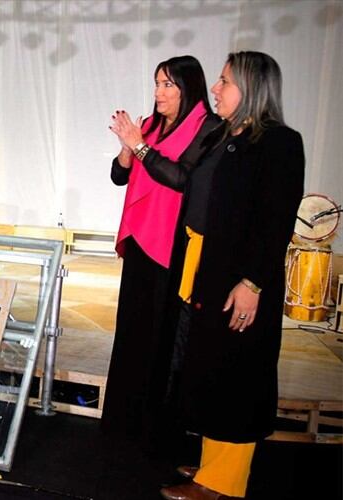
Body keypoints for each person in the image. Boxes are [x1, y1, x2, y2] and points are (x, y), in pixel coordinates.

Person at [159, 52, 304, 500]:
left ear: (253, 88)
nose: (215, 89)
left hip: (239, 278)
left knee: (235, 376)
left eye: (225, 81)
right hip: (208, 268)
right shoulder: (224, 135)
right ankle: (211, 463)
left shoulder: (279, 142)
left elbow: (274, 221)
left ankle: (222, 482)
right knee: (210, 369)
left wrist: (252, 283)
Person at [102, 55, 220, 449]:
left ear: (189, 88)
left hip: (173, 245)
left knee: (162, 338)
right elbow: (119, 176)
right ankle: (121, 422)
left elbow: (182, 178)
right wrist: (127, 149)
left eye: (168, 84)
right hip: (140, 238)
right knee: (131, 333)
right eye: (157, 83)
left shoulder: (207, 128)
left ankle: (154, 429)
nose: (159, 92)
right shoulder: (149, 125)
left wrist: (139, 147)